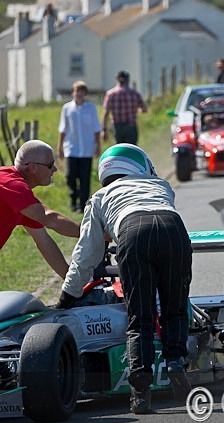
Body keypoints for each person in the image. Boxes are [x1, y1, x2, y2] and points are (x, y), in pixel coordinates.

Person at [57, 144, 193, 414]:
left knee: (139, 317)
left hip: (133, 234)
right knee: (174, 307)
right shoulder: (162, 186)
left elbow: (86, 255)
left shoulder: (99, 198)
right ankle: (176, 362)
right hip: (174, 230)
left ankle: (141, 393)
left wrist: (67, 296)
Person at [0, 140, 80, 278]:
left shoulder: (22, 201)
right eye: (50, 165)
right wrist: (94, 233)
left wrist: (74, 286)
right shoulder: (10, 184)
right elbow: (49, 218)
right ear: (33, 168)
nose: (55, 169)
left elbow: (43, 241)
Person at [57, 80, 103, 212]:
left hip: (87, 148)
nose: (79, 94)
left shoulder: (91, 108)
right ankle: (73, 198)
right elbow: (63, 129)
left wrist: (98, 146)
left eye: (82, 91)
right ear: (73, 93)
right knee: (71, 175)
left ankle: (83, 204)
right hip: (71, 147)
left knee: (85, 177)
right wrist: (60, 147)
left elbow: (96, 128)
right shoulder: (67, 108)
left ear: (85, 94)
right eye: (77, 91)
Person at [102, 71, 147, 145]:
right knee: (131, 149)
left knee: (119, 149)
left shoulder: (110, 94)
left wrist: (104, 129)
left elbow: (106, 113)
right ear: (128, 80)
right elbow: (144, 109)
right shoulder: (134, 94)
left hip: (117, 126)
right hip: (131, 125)